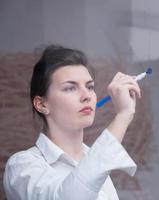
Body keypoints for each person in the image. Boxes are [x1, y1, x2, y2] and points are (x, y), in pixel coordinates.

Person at [3, 45, 142, 200]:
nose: (86, 96)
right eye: (70, 88)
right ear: (41, 104)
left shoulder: (94, 159)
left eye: (90, 87)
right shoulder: (22, 166)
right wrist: (123, 115)